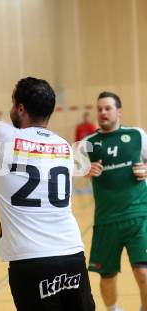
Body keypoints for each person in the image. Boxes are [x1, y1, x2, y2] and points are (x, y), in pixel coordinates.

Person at [0, 77, 95, 310]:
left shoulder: (3, 134)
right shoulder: (64, 147)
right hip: (72, 254)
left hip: (30, 260)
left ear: (20, 109)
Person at [82, 91, 147, 311]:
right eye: (99, 109)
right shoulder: (88, 143)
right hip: (106, 219)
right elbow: (70, 170)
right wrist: (84, 170)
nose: (103, 112)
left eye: (108, 108)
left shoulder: (137, 135)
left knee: (143, 272)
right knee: (107, 277)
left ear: (119, 111)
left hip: (138, 215)